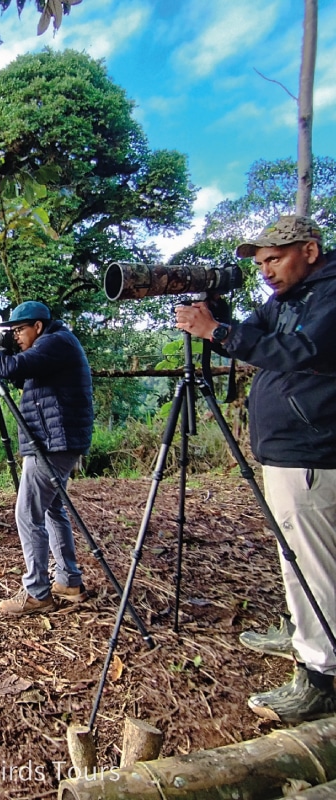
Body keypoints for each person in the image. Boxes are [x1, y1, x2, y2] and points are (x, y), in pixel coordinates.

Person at [175, 214, 336, 723]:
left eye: (275, 258)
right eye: (261, 262)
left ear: (309, 251)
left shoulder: (329, 296)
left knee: (315, 564)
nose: (265, 270)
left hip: (312, 449)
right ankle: (300, 630)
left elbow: (300, 351)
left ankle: (321, 675)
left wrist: (216, 330)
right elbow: (251, 335)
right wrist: (218, 317)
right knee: (294, 552)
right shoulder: (287, 300)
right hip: (288, 448)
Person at [0, 300, 94, 617]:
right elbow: (16, 372)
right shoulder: (54, 343)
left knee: (27, 515)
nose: (15, 337)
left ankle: (37, 593)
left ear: (38, 326)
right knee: (52, 510)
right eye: (11, 331)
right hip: (57, 440)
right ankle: (68, 581)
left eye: (19, 330)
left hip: (53, 443)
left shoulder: (55, 341)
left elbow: (13, 368)